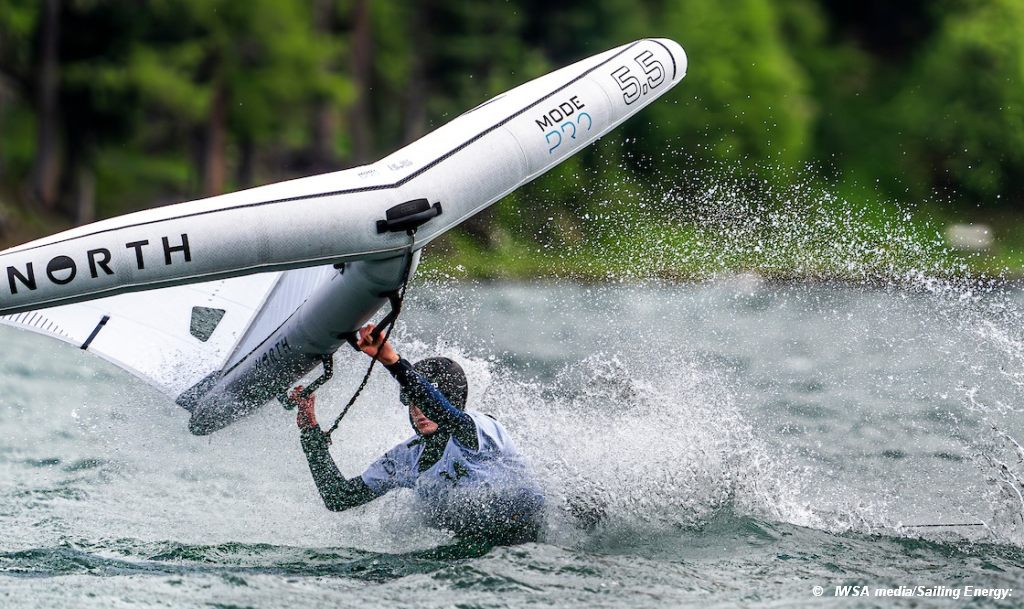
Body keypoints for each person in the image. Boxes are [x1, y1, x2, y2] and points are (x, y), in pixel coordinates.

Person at [293, 323, 545, 545]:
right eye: (413, 403)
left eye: (425, 403)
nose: (420, 411)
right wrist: (310, 433)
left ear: (452, 402)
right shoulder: (406, 457)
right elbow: (339, 498)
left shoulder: (477, 431)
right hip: (475, 548)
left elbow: (442, 411)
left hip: (525, 542)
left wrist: (393, 362)